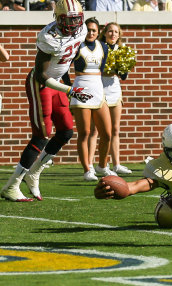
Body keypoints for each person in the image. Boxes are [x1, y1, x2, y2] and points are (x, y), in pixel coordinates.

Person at [1, 0, 91, 202]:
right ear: (58, 18)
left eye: (77, 19)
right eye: (69, 20)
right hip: (40, 85)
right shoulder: (48, 37)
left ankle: (34, 172)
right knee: (42, 134)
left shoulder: (82, 29)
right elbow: (42, 76)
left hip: (58, 82)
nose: (74, 24)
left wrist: (68, 86)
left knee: (66, 131)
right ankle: (12, 186)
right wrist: (70, 89)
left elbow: (67, 61)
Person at [69, 17, 116, 181]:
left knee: (107, 134)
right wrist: (71, 88)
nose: (90, 33)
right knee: (85, 133)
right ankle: (87, 169)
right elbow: (63, 69)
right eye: (88, 29)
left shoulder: (103, 47)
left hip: (98, 90)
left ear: (98, 32)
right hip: (80, 90)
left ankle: (102, 166)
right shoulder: (76, 46)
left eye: (94, 30)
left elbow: (101, 70)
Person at [87, 22, 133, 176]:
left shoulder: (122, 50)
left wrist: (122, 66)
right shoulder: (98, 47)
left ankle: (117, 164)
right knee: (94, 130)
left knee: (115, 129)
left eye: (116, 32)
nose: (113, 34)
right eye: (110, 31)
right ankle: (90, 166)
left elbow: (124, 76)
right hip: (98, 88)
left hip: (114, 89)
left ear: (119, 35)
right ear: (104, 33)